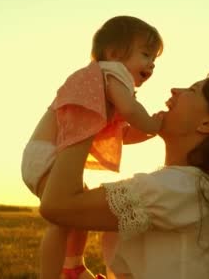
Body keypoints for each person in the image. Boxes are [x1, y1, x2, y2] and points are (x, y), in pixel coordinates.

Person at [40, 66, 209, 279]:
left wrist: (87, 111)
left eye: (193, 90)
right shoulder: (197, 189)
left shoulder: (182, 187)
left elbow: (58, 206)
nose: (175, 90)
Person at [21, 16, 164, 279]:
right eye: (145, 54)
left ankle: (73, 266)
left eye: (154, 59)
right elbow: (132, 111)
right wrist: (154, 125)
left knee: (77, 216)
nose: (151, 64)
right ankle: (53, 275)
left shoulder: (105, 86)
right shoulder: (112, 72)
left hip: (42, 154)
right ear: (113, 53)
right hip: (46, 154)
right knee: (62, 219)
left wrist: (148, 132)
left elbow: (124, 134)